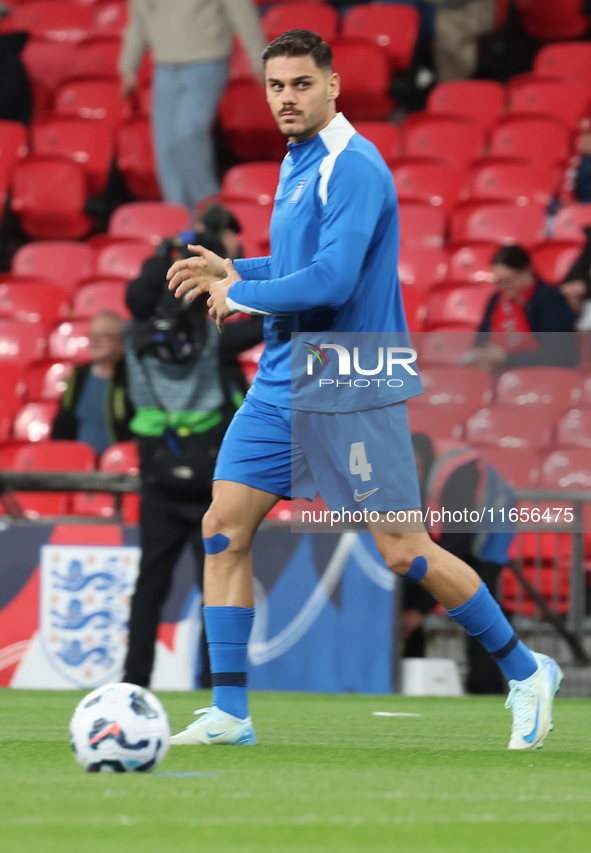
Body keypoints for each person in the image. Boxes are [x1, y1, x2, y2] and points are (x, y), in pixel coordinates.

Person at [167, 30, 562, 751]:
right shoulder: (297, 161)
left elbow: (334, 281)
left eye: (301, 85)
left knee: (404, 551)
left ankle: (525, 667)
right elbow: (300, 259)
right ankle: (230, 711)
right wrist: (239, 267)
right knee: (223, 527)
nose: (287, 98)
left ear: (332, 86)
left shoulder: (352, 166)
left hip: (350, 375)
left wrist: (244, 294)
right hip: (287, 374)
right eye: (276, 86)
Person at [122, 228, 263, 690]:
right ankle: (212, 684)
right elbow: (264, 324)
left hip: (158, 473)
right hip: (209, 476)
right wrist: (233, 275)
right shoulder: (211, 339)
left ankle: (133, 682)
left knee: (150, 586)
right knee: (216, 581)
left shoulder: (132, 340)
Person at [118, 0, 266, 210]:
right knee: (166, 150)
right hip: (164, 67)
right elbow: (139, 18)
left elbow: (242, 11)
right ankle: (181, 222)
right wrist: (128, 66)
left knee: (188, 136)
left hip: (207, 61)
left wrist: (259, 60)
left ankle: (212, 216)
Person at [404, 434, 513, 694]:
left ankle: (484, 683)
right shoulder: (420, 473)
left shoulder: (457, 471)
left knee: (478, 598)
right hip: (453, 527)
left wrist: (420, 609)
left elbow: (458, 543)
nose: (414, 474)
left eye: (417, 467)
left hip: (489, 528)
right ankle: (409, 664)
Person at [466, 244, 579, 374]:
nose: (502, 287)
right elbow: (480, 342)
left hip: (539, 376)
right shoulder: (496, 300)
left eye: (508, 280)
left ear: (527, 271)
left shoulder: (549, 300)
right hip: (496, 372)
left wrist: (507, 358)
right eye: (498, 282)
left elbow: (559, 356)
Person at [51, 311, 134, 455]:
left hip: (118, 466)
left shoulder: (131, 378)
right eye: (92, 336)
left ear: (121, 343)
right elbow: (62, 424)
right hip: (78, 466)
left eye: (104, 336)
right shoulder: (78, 376)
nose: (96, 341)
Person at [425, 0, 496, 82]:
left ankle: (453, 88)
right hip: (437, 8)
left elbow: (454, 2)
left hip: (467, 9)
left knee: (448, 35)